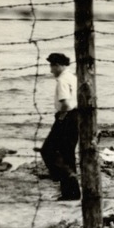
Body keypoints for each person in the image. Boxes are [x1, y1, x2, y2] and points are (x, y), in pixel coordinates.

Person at [41, 53, 80, 200]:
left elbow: (65, 103)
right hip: (76, 116)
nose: (51, 70)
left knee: (48, 150)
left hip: (66, 117)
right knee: (68, 153)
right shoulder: (73, 77)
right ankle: (71, 192)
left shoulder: (62, 80)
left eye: (51, 66)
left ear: (57, 65)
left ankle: (62, 177)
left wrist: (61, 118)